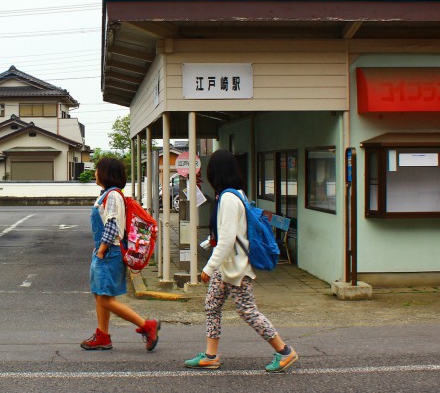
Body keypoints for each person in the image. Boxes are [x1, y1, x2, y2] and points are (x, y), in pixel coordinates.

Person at [184, 149, 298, 372]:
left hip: (235, 266)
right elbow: (230, 234)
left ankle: (285, 352)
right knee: (212, 305)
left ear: (215, 172)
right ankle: (211, 355)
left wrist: (208, 267)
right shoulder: (237, 194)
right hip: (229, 265)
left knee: (247, 310)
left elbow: (227, 240)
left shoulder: (228, 198)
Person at [80, 156, 160, 352]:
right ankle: (102, 335)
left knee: (106, 298)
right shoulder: (106, 194)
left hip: (109, 252)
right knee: (100, 295)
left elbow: (112, 225)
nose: (95, 172)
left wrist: (101, 251)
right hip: (105, 251)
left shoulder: (113, 195)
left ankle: (146, 326)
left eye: (98, 169)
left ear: (106, 172)